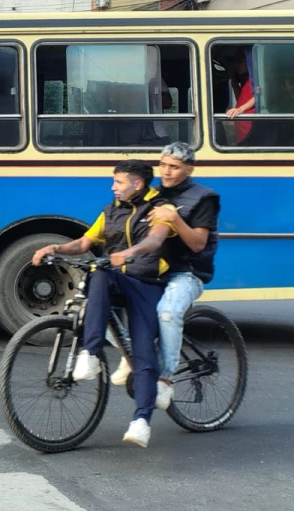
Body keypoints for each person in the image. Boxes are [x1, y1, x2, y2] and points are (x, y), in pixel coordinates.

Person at [31, 159, 182, 448]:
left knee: (142, 352)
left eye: (118, 182)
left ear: (137, 184)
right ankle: (90, 352)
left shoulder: (161, 208)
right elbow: (85, 243)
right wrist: (55, 248)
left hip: (147, 283)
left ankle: (141, 421)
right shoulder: (111, 210)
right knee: (97, 275)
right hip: (117, 279)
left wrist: (131, 253)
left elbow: (156, 239)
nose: (112, 187)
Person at [119, 142, 217, 411]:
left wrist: (174, 219)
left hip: (187, 271)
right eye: (163, 165)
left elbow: (198, 243)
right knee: (111, 297)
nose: (167, 171)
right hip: (154, 269)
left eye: (174, 167)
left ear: (189, 169)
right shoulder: (152, 193)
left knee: (168, 313)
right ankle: (130, 358)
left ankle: (166, 379)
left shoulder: (204, 197)